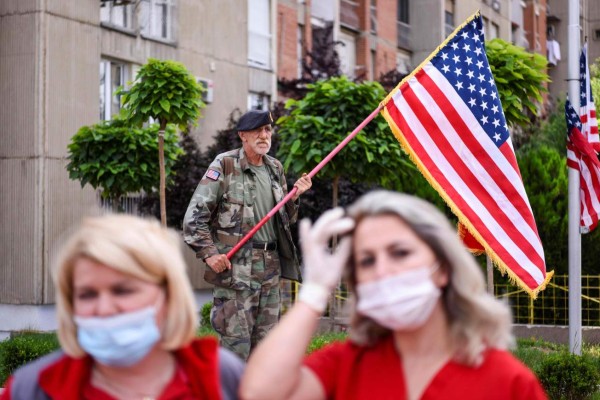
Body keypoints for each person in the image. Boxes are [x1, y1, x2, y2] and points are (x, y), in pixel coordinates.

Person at [239, 190, 548, 400]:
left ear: (442, 268)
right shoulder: (345, 364)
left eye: (400, 253)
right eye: (367, 261)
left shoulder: (507, 381)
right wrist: (314, 292)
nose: (382, 270)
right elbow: (258, 393)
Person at [1, 214, 244, 400]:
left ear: (168, 295)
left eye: (123, 290)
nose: (105, 308)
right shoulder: (33, 388)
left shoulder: (221, 376)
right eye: (87, 295)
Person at [183, 109, 312, 361]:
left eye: (267, 130)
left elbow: (283, 220)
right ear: (243, 135)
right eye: (257, 130)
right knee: (235, 350)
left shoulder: (275, 168)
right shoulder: (225, 164)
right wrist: (211, 255)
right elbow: (194, 219)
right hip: (237, 272)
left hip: (270, 269)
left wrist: (293, 198)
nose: (264, 136)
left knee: (267, 351)